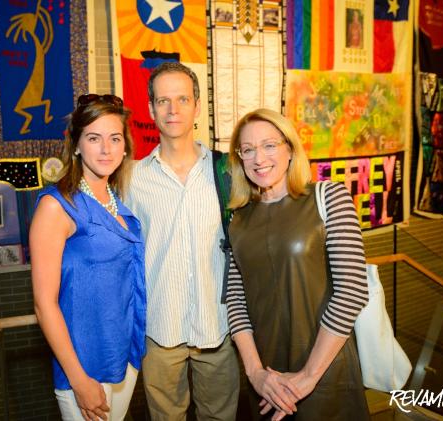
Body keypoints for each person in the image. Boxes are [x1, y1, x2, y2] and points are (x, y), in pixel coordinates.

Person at [225, 109, 370, 420]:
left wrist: (307, 376)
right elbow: (236, 301)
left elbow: (353, 291)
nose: (258, 158)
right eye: (248, 150)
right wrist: (255, 373)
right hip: (268, 378)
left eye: (269, 145)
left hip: (325, 367)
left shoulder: (328, 197)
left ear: (289, 148)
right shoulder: (238, 219)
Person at [126, 62, 240, 420]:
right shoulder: (132, 179)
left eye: (182, 99)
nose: (173, 110)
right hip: (160, 330)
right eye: (163, 101)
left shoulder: (227, 171)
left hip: (218, 327)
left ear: (196, 105)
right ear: (150, 109)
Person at [29, 94, 146, 421]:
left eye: (115, 138)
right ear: (77, 144)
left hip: (123, 358)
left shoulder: (117, 203)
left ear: (125, 147)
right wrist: (79, 380)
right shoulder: (57, 206)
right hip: (84, 366)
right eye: (94, 138)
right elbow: (44, 303)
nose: (106, 149)